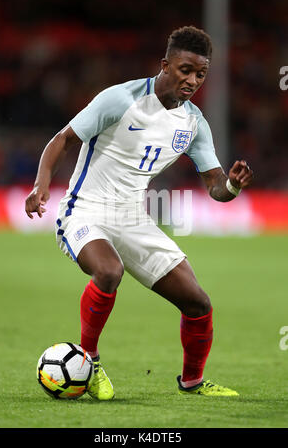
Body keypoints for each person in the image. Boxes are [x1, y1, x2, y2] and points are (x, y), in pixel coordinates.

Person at [25, 25, 253, 400]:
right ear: (165, 64)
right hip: (85, 210)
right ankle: (90, 360)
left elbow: (215, 185)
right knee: (109, 270)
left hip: (133, 219)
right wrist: (40, 185)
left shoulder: (194, 123)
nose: (193, 80)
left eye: (201, 74)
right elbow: (62, 139)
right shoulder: (120, 99)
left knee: (198, 302)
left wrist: (231, 186)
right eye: (185, 70)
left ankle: (192, 382)